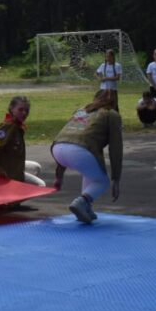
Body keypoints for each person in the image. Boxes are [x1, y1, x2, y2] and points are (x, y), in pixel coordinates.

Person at [51, 90, 123, 224]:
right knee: (102, 181)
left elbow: (68, 138)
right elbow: (116, 149)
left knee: (90, 172)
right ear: (114, 102)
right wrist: (116, 179)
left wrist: (59, 176)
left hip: (57, 149)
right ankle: (82, 202)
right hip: (80, 150)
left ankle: (87, 208)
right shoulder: (112, 115)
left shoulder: (82, 110)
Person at [0, 96, 45, 186]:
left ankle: (19, 189)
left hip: (15, 164)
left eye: (27, 110)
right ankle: (13, 197)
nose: (24, 113)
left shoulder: (17, 126)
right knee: (40, 185)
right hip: (7, 170)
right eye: (20, 110)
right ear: (12, 109)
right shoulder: (9, 126)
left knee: (36, 167)